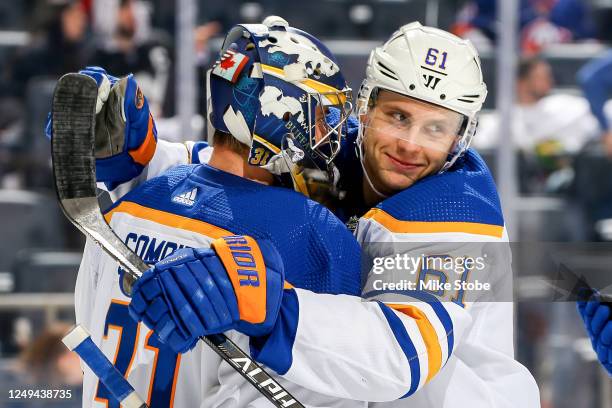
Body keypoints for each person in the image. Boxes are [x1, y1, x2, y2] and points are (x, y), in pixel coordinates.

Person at [122, 22, 539, 406]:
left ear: (459, 138)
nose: (411, 144)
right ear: (366, 107)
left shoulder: (456, 217)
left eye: (436, 129)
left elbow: (398, 354)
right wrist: (146, 156)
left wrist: (276, 308)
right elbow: (238, 166)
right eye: (399, 116)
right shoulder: (337, 146)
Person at [67, 20, 364, 407]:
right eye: (322, 116)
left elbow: (87, 324)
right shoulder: (309, 232)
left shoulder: (125, 208)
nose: (331, 135)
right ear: (280, 113)